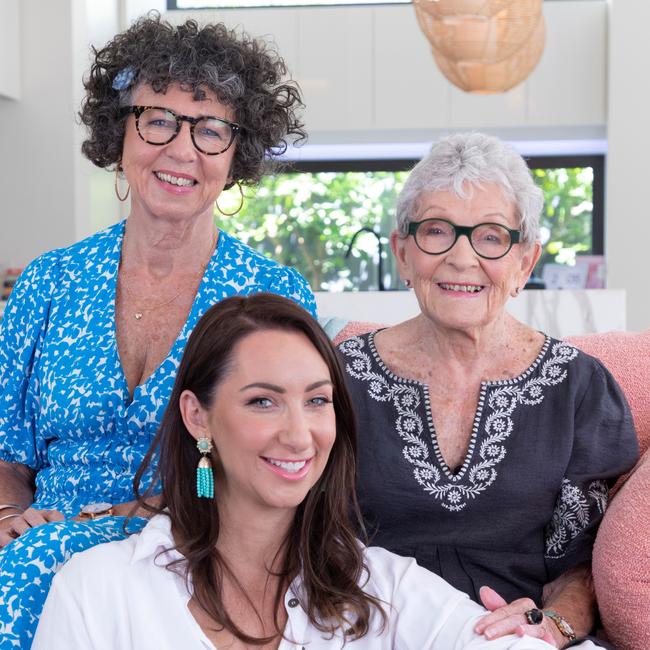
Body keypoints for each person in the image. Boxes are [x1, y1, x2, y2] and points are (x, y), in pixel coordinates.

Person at [0, 15, 315, 647]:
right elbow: (8, 450)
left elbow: (287, 455)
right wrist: (9, 517)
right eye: (158, 119)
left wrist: (153, 517)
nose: (181, 149)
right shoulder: (47, 281)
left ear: (237, 153)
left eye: (211, 129)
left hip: (194, 547)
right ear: (119, 131)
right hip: (37, 547)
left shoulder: (272, 297)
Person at [32, 293, 584, 649]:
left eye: (317, 401)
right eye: (263, 402)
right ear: (197, 417)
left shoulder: (381, 586)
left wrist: (536, 631)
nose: (300, 435)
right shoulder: (98, 591)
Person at [336, 132, 638, 648]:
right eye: (436, 231)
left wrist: (551, 626)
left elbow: (586, 566)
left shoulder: (578, 387)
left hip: (513, 637)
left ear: (525, 261)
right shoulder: (336, 378)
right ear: (402, 253)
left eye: (492, 236)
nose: (461, 257)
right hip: (364, 629)